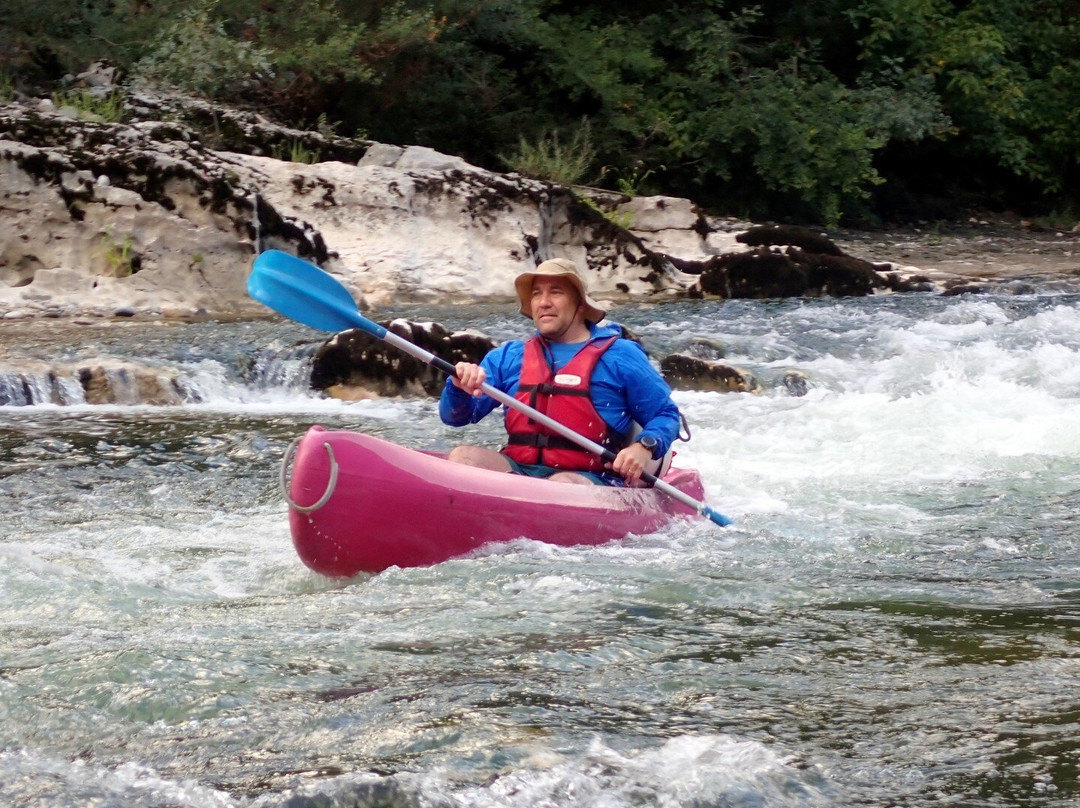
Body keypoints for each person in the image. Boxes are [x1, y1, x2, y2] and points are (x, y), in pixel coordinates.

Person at [438, 257, 682, 486]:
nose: (544, 302)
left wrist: (644, 447)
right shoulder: (508, 357)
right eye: (536, 294)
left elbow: (666, 414)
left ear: (579, 303)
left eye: (556, 291)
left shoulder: (621, 356)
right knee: (462, 456)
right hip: (520, 468)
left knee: (562, 484)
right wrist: (458, 387)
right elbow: (456, 417)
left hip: (589, 477)